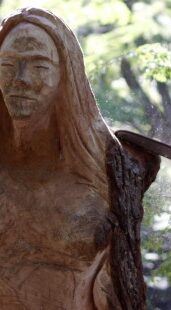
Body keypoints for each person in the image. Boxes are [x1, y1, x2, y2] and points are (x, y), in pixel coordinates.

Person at [0, 7, 159, 309]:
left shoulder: (108, 165)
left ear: (65, 75)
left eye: (39, 66)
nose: (19, 79)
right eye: (7, 65)